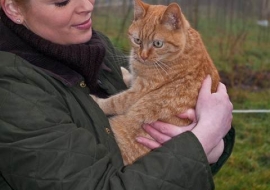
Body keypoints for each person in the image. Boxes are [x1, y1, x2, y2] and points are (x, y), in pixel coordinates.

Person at [0, 0, 235, 189]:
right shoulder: (11, 92)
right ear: (13, 8)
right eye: (62, 2)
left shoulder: (96, 45)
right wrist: (202, 140)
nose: (88, 5)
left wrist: (216, 146)